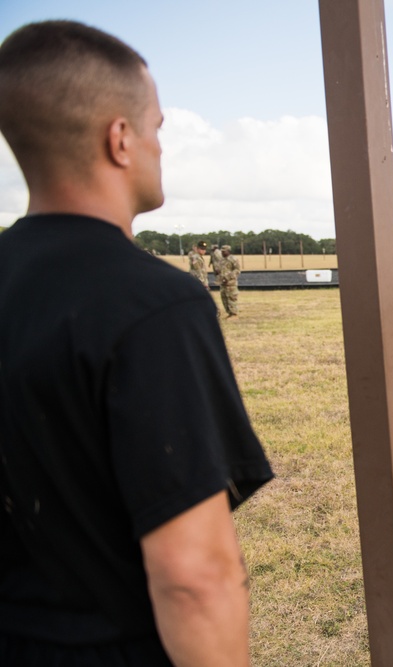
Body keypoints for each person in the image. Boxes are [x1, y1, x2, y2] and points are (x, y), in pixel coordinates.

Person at [0, 20, 273, 666]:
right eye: (155, 128)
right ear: (119, 139)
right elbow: (196, 575)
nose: (160, 147)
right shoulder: (153, 304)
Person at [219, 245, 241, 318]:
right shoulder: (222, 260)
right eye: (221, 251)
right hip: (223, 283)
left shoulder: (233, 259)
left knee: (231, 298)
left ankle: (234, 314)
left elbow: (237, 270)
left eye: (224, 251)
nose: (222, 253)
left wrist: (228, 277)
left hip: (230, 283)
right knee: (224, 298)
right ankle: (229, 313)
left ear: (228, 251)